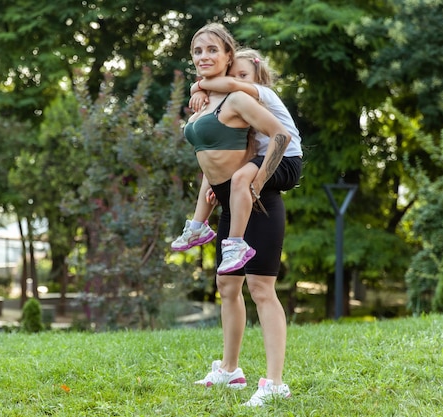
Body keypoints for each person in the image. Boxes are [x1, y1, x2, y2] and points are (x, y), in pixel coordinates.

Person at [183, 22, 293, 407]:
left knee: (262, 290)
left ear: (229, 57)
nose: (204, 58)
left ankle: (275, 382)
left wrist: (258, 183)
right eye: (198, 52)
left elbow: (281, 136)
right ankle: (230, 370)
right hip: (231, 201)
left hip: (257, 198)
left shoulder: (242, 97)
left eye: (212, 50)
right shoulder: (209, 99)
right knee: (227, 287)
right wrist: (200, 90)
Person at [171, 48, 303, 278]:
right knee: (212, 174)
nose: (235, 81)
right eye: (232, 76)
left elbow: (229, 87)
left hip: (287, 159)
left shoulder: (263, 93)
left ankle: (235, 242)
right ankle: (197, 226)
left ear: (257, 77)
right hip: (261, 158)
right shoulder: (239, 108)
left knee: (241, 177)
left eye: (243, 75)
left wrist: (199, 87)